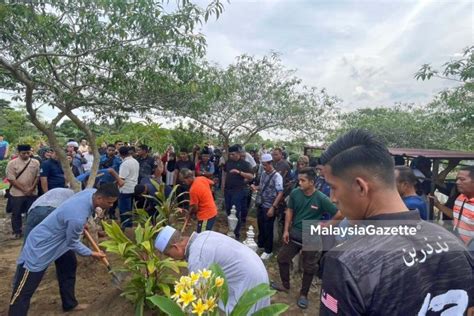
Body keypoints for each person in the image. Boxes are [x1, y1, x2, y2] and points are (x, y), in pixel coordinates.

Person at [318, 129, 473, 315]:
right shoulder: (454, 243)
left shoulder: (347, 262)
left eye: (333, 187)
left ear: (361, 187)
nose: (332, 198)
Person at [8, 183, 119, 316]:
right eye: (110, 202)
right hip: (42, 247)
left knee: (68, 265)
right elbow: (73, 242)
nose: (111, 206)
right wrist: (92, 253)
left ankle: (69, 304)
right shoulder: (77, 216)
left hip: (61, 243)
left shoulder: (91, 192)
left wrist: (82, 223)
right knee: (25, 289)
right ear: (99, 199)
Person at [155, 226, 270, 314]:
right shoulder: (204, 235)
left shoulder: (197, 257)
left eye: (169, 255)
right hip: (256, 265)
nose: (172, 259)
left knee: (246, 312)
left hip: (251, 278)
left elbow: (200, 297)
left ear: (176, 247)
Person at [271, 167, 339, 309]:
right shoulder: (296, 193)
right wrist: (285, 230)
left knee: (309, 267)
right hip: (295, 233)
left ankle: (303, 294)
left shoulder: (321, 198)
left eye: (303, 180)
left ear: (312, 182)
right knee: (282, 258)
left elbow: (339, 213)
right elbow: (289, 210)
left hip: (312, 235)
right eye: (299, 180)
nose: (300, 183)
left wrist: (327, 225)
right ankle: (285, 285)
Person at [430, 166, 474, 248]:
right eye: (457, 179)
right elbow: (456, 215)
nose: (457, 182)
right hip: (461, 247)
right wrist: (438, 204)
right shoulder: (461, 198)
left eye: (462, 179)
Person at [251, 154, 283, 260]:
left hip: (270, 206)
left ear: (270, 163)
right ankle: (260, 245)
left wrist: (273, 207)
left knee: (268, 228)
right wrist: (256, 187)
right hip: (261, 204)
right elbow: (262, 186)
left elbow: (280, 193)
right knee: (260, 226)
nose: (264, 167)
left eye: (265, 165)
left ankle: (268, 250)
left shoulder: (277, 176)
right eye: (262, 165)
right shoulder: (264, 174)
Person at [6, 145, 41, 239]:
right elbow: (11, 179)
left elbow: (37, 177)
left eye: (28, 153)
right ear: (19, 153)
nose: (26, 155)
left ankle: (31, 231)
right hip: (17, 193)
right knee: (16, 213)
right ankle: (17, 232)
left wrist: (31, 188)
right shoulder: (12, 163)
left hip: (32, 192)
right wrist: (24, 189)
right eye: (23, 153)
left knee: (31, 212)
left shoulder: (35, 162)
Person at [222, 145, 254, 240]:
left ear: (239, 154)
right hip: (228, 190)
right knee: (228, 210)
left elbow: (251, 177)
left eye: (233, 154)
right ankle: (231, 229)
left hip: (239, 190)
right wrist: (223, 185)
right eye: (230, 154)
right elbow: (224, 173)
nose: (231, 156)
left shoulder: (245, 164)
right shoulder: (228, 162)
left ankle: (236, 233)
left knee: (235, 211)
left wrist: (239, 172)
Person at [109, 146, 139, 229]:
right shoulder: (135, 161)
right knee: (129, 210)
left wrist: (113, 186)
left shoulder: (125, 164)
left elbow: (121, 180)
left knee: (124, 210)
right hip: (134, 188)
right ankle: (129, 227)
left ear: (120, 154)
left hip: (125, 190)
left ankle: (125, 227)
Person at [180, 168, 217, 232]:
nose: (183, 183)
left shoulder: (193, 190)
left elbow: (195, 208)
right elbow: (212, 183)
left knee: (202, 235)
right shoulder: (201, 178)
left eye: (184, 181)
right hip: (212, 211)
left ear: (189, 178)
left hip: (206, 216)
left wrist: (189, 214)